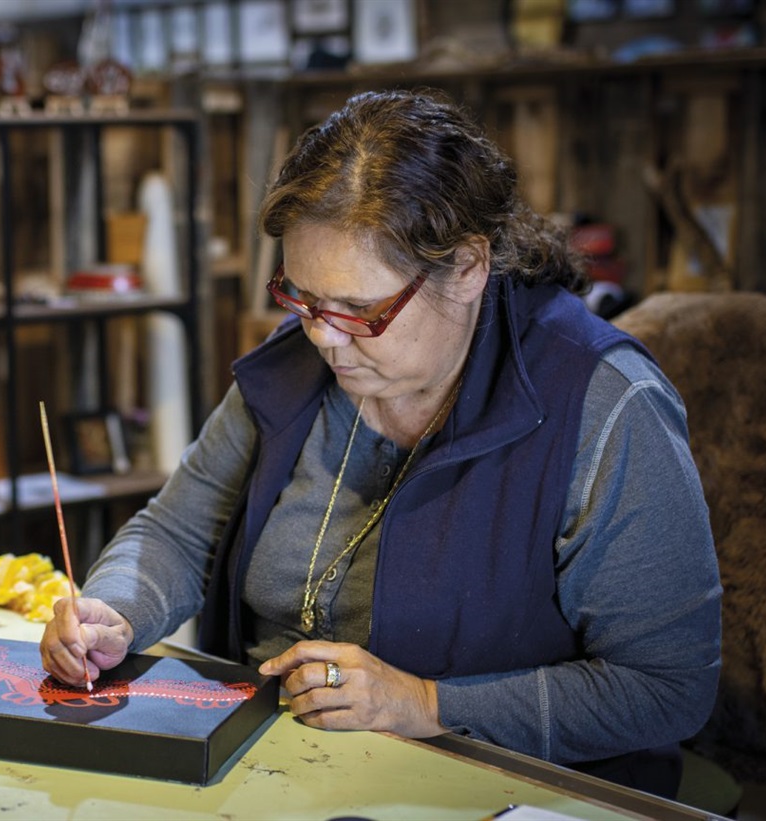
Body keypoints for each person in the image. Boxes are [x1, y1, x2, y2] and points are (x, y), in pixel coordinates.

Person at [40, 89, 721, 798]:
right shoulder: (295, 365)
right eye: (301, 297)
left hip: (502, 790)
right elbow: (178, 529)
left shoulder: (603, 403)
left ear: (466, 268)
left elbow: (666, 688)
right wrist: (114, 610)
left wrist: (425, 703)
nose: (322, 338)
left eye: (360, 312)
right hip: (277, 772)